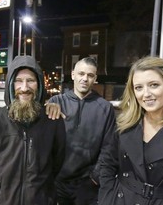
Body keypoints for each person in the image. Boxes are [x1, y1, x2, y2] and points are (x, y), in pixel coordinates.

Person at [98, 56, 163, 205]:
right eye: (139, 87)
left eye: (153, 85)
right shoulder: (125, 123)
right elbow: (107, 165)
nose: (146, 94)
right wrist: (107, 199)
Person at [0, 55, 66, 205]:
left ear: (39, 84)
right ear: (10, 84)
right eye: (18, 81)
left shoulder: (53, 121)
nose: (25, 88)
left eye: (31, 81)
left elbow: (57, 163)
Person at [48, 57, 116, 205]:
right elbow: (44, 141)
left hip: (87, 184)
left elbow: (109, 147)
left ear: (95, 78)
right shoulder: (56, 103)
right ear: (73, 75)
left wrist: (94, 178)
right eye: (81, 74)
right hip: (57, 182)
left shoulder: (105, 108)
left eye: (90, 75)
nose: (85, 79)